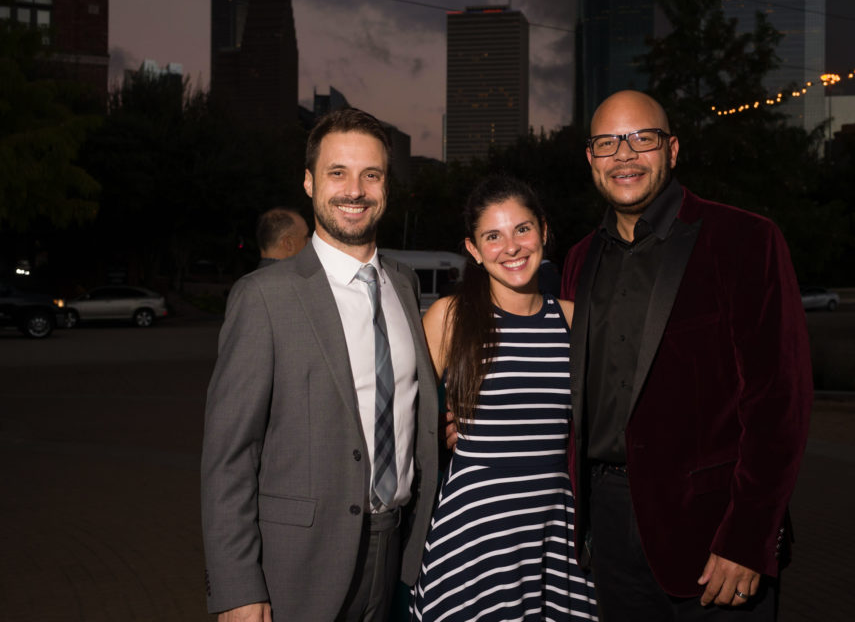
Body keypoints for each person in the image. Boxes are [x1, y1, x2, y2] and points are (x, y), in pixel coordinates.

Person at [560, 90, 813, 620]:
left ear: (672, 149)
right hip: (606, 527)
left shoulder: (745, 240)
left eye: (641, 139)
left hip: (712, 531)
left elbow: (778, 403)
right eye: (607, 142)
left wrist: (748, 537)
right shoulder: (580, 259)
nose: (623, 155)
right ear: (590, 158)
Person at [201, 108, 439, 622]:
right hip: (298, 568)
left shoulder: (403, 285)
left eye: (370, 175)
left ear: (386, 187)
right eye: (338, 173)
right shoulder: (264, 298)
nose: (354, 190)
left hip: (395, 553)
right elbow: (229, 456)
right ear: (309, 183)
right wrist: (237, 587)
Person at [412, 175, 598, 621]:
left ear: (544, 232)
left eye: (522, 229)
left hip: (554, 531)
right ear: (473, 250)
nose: (511, 246)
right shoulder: (450, 317)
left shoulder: (575, 320)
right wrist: (438, 429)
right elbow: (406, 419)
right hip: (475, 537)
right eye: (492, 236)